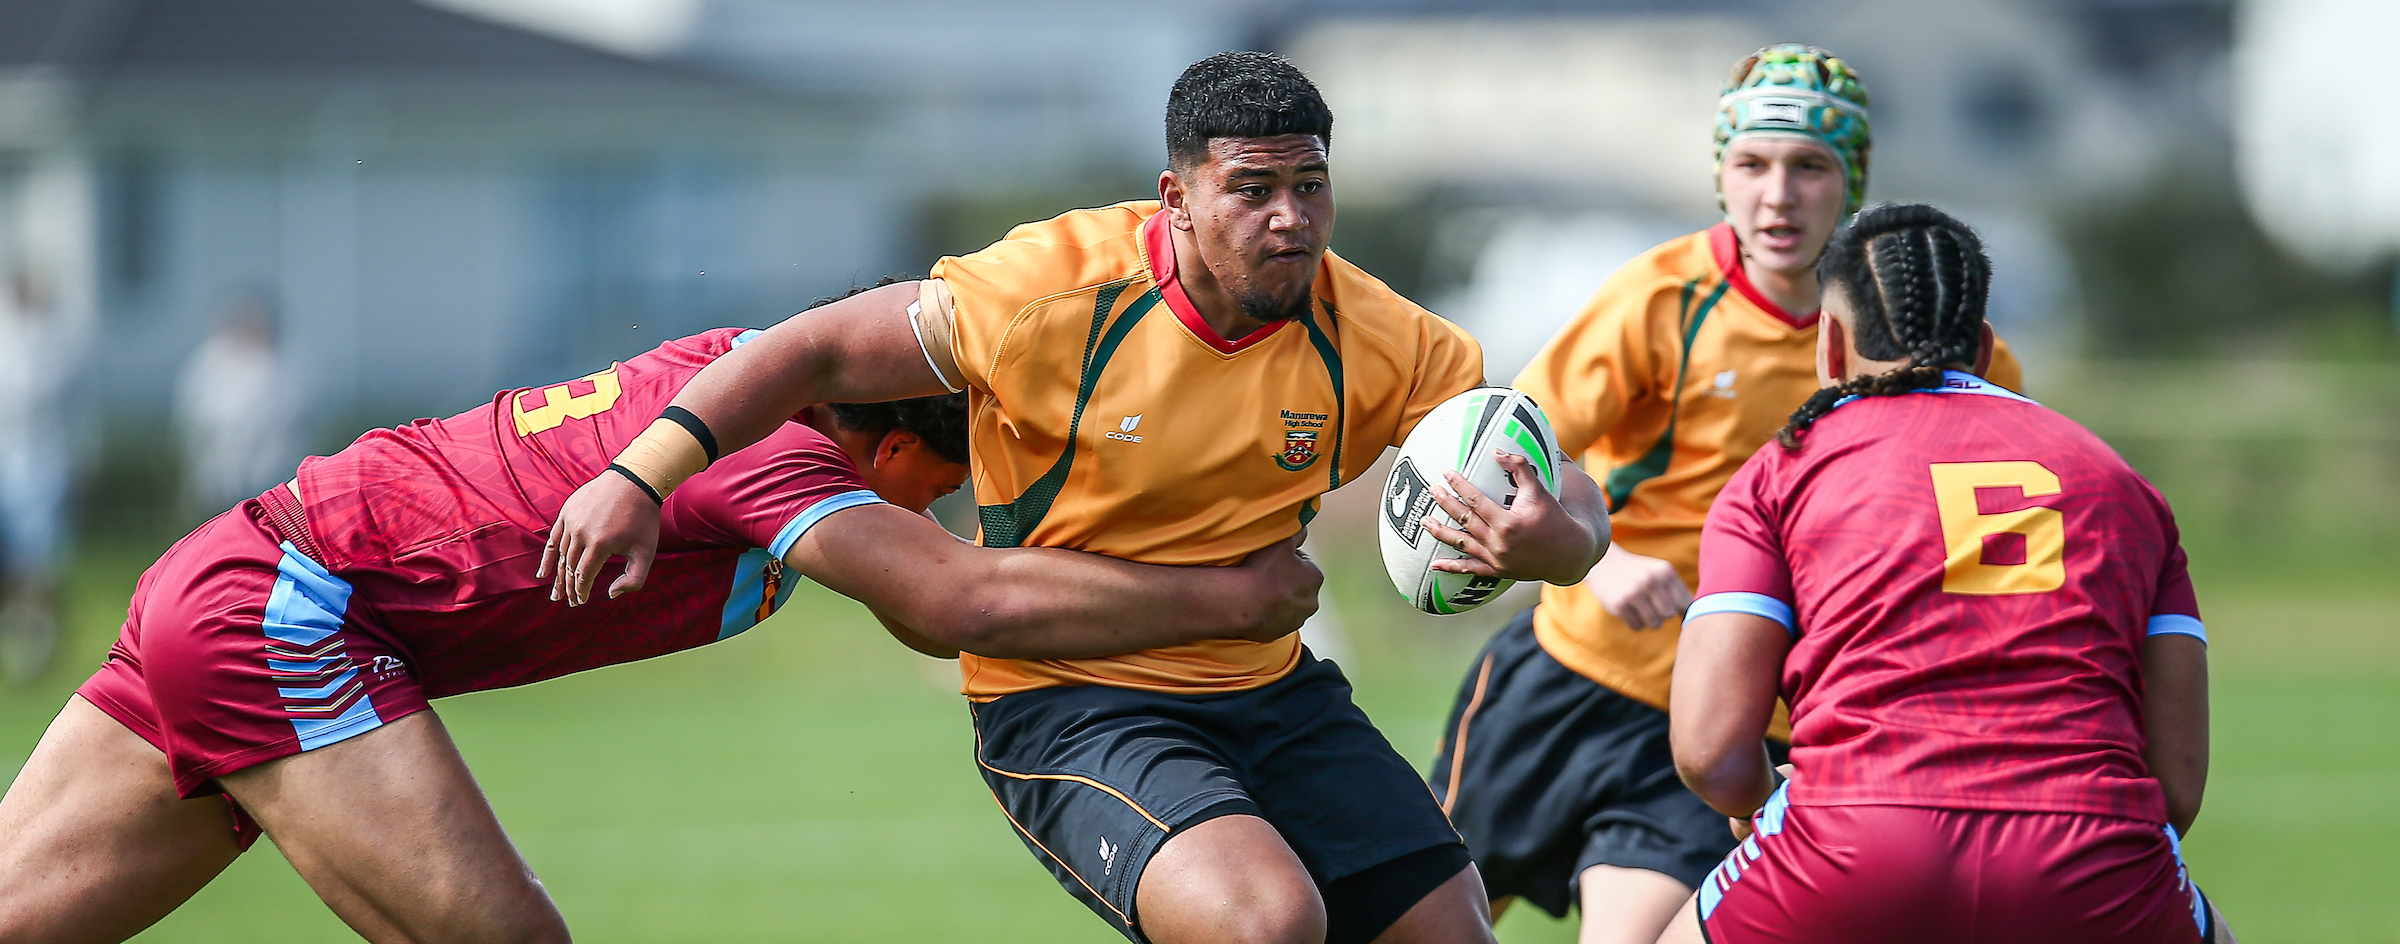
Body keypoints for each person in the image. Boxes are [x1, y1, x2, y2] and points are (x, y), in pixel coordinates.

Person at [543, 52, 1613, 944]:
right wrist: (640, 476)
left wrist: (1557, 537)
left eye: (1311, 186)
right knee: (1265, 921)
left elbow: (1548, 470)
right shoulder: (1044, 295)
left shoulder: (1379, 335)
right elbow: (809, 347)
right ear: (1177, 197)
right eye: (1251, 189)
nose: (1290, 219)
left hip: (1274, 692)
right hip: (1068, 697)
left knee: (1451, 931)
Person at [0, 284, 1328, 944]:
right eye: (956, 470)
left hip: (237, 579)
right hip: (287, 613)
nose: (964, 501)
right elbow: (955, 601)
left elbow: (969, 584)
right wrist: (1231, 596)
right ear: (888, 438)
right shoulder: (773, 454)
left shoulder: (745, 400)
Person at [1424, 45, 2025, 944]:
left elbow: (1991, 525)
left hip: (1729, 713)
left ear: (1851, 178)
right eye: (1752, 164)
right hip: (1571, 673)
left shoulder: (1921, 343)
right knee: (1420, 926)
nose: (1777, 195)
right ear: (1721, 175)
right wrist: (1601, 565)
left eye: (1809, 166)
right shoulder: (1661, 298)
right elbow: (1517, 446)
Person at [1661, 203, 2230, 943]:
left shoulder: (1783, 469)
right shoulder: (2122, 482)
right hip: (2094, 860)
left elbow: (1710, 753)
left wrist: (1762, 803)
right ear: (1987, 348)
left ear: (1828, 346)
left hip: (1854, 845)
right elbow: (2177, 783)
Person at [0, 263, 91, 683]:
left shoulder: (59, 343)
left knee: (39, 560)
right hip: (9, 458)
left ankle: (35, 643)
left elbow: (80, 410)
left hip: (44, 461)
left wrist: (83, 462)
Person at [174, 290, 304, 521]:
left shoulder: (287, 362)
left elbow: (290, 414)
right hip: (215, 458)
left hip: (270, 462)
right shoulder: (212, 357)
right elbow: (194, 407)